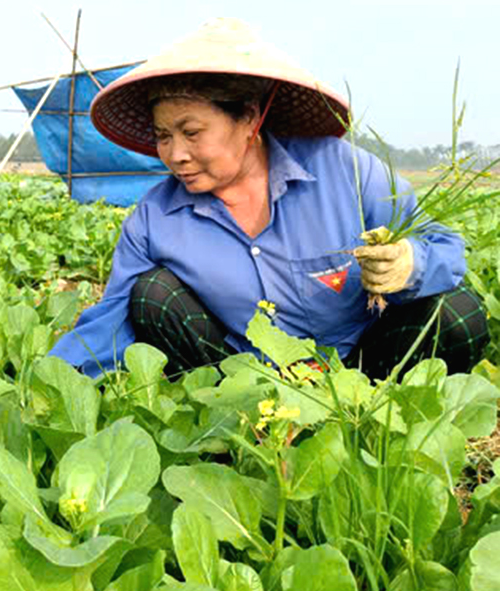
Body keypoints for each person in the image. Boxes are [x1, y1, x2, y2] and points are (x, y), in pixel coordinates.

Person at [49, 18, 488, 380]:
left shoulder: (347, 171)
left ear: (249, 119)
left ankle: (369, 422)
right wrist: (51, 381)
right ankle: (238, 428)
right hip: (242, 380)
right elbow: (115, 316)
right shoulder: (154, 217)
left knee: (458, 314)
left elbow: (445, 250)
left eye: (192, 132)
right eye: (163, 136)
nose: (175, 154)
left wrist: (412, 263)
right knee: (151, 294)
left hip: (362, 371)